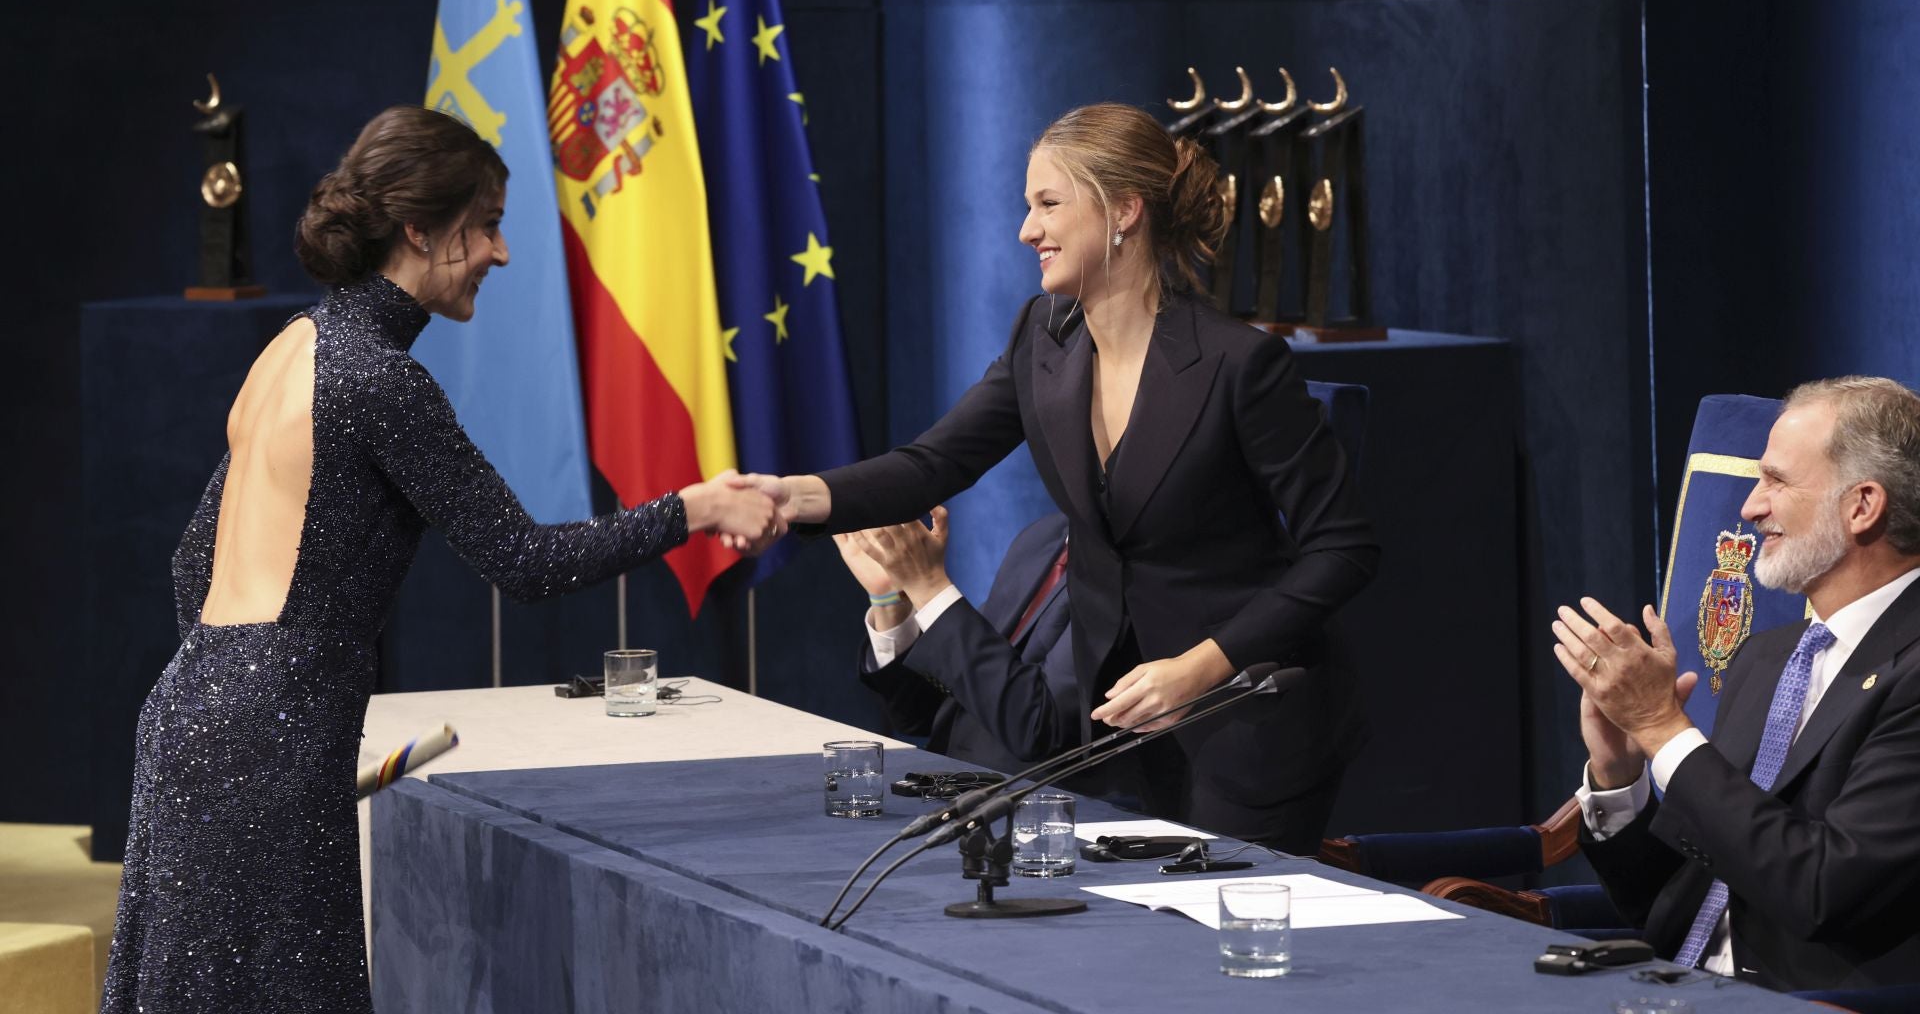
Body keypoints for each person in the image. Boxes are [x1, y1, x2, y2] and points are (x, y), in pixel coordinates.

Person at [101, 105, 783, 1014]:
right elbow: (523, 561)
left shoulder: (293, 348)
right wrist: (690, 509)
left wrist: (247, 693)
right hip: (266, 738)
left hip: (186, 713)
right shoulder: (380, 379)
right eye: (489, 225)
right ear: (421, 229)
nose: (502, 254)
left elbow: (193, 565)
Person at [775, 102, 1378, 849]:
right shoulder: (1041, 339)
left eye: (1048, 204)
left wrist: (1200, 668)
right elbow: (929, 466)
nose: (1028, 230)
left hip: (1241, 725)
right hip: (1110, 731)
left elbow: (1343, 548)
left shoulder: (1238, 364)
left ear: (1124, 211)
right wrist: (784, 498)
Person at [1556, 377, 1920, 992]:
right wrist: (1621, 773)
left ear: (1862, 505)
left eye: (1776, 481)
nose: (1751, 507)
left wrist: (1663, 728)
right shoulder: (1768, 657)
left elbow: (1818, 889)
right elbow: (1673, 903)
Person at [840, 506, 1077, 774]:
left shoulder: (1121, 568)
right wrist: (889, 600)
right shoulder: (1044, 536)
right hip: (949, 790)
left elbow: (1035, 727)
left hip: (1043, 804)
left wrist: (928, 586)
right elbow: (928, 712)